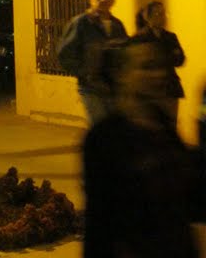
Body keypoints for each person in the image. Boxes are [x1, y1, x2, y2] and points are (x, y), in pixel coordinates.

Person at [83, 38, 200, 257]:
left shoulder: (162, 123)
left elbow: (189, 196)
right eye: (148, 66)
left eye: (161, 66)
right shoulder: (104, 139)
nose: (159, 74)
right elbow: (99, 222)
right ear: (122, 74)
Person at [57, 0, 127, 125]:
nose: (103, 0)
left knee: (114, 128)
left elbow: (126, 53)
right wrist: (85, 73)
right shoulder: (81, 23)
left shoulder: (117, 25)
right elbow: (65, 54)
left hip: (113, 87)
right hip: (91, 87)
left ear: (113, 0)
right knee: (100, 126)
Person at [131, 0, 186, 128]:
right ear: (148, 17)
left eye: (163, 13)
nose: (162, 17)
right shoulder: (139, 38)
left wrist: (165, 57)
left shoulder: (171, 37)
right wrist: (169, 55)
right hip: (149, 90)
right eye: (157, 13)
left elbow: (180, 60)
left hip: (170, 89)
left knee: (171, 126)